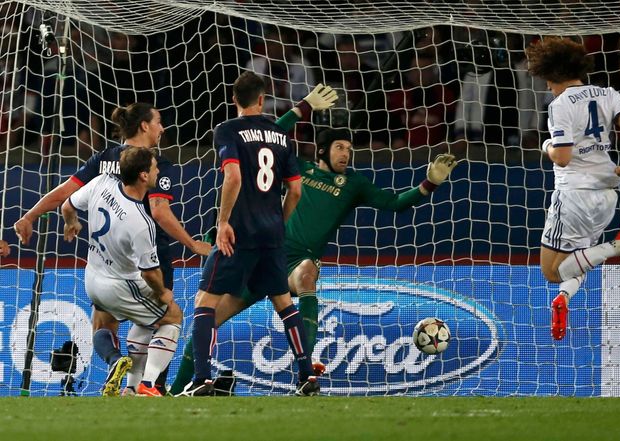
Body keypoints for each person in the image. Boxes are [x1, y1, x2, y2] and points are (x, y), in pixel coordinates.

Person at [171, 111, 458, 395]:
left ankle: (305, 375)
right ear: (322, 150)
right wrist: (300, 110)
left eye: (349, 149)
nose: (346, 154)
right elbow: (267, 139)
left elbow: (394, 203)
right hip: (264, 254)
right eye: (340, 147)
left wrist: (429, 184)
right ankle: (178, 386)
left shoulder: (354, 184)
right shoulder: (300, 168)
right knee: (212, 318)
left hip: (296, 262)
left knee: (308, 274)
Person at [13, 102, 211, 395]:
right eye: (158, 122)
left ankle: (124, 380)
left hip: (103, 266)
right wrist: (192, 244)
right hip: (147, 262)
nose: (162, 128)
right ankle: (149, 385)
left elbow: (66, 195)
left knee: (106, 326)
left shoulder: (104, 161)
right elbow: (159, 210)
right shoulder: (154, 164)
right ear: (144, 126)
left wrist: (30, 215)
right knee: (163, 318)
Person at [179, 71, 318, 397]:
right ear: (261, 100)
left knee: (205, 301)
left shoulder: (227, 130)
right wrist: (278, 222)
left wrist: (223, 222)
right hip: (271, 234)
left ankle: (201, 379)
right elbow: (295, 190)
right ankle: (306, 375)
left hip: (238, 232)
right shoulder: (280, 135)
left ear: (234, 100)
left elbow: (233, 177)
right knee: (284, 304)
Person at [525, 37, 620, 341]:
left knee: (551, 271)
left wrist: (546, 144)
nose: (546, 86)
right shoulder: (607, 93)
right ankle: (564, 298)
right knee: (580, 257)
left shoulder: (559, 104)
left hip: (574, 194)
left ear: (551, 74)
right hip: (607, 192)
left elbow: (561, 158)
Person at [61, 147, 182, 397]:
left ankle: (122, 373)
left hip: (92, 279)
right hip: (119, 285)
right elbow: (150, 273)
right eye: (153, 166)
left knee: (108, 327)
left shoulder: (101, 182)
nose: (158, 169)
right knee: (172, 316)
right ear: (143, 176)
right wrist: (162, 293)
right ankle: (148, 384)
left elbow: (66, 205)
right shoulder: (140, 221)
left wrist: (71, 223)